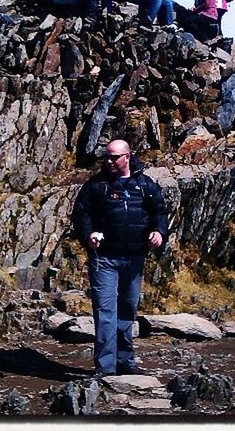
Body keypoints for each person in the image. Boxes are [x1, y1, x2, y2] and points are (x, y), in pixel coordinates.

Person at [72, 140, 168, 377]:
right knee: (105, 312)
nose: (109, 162)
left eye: (114, 157)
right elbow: (81, 213)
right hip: (104, 258)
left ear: (127, 156)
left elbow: (159, 211)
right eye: (107, 157)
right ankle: (105, 367)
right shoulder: (96, 186)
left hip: (134, 258)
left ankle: (125, 360)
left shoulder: (145, 185)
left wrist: (159, 232)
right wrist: (88, 235)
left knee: (127, 310)